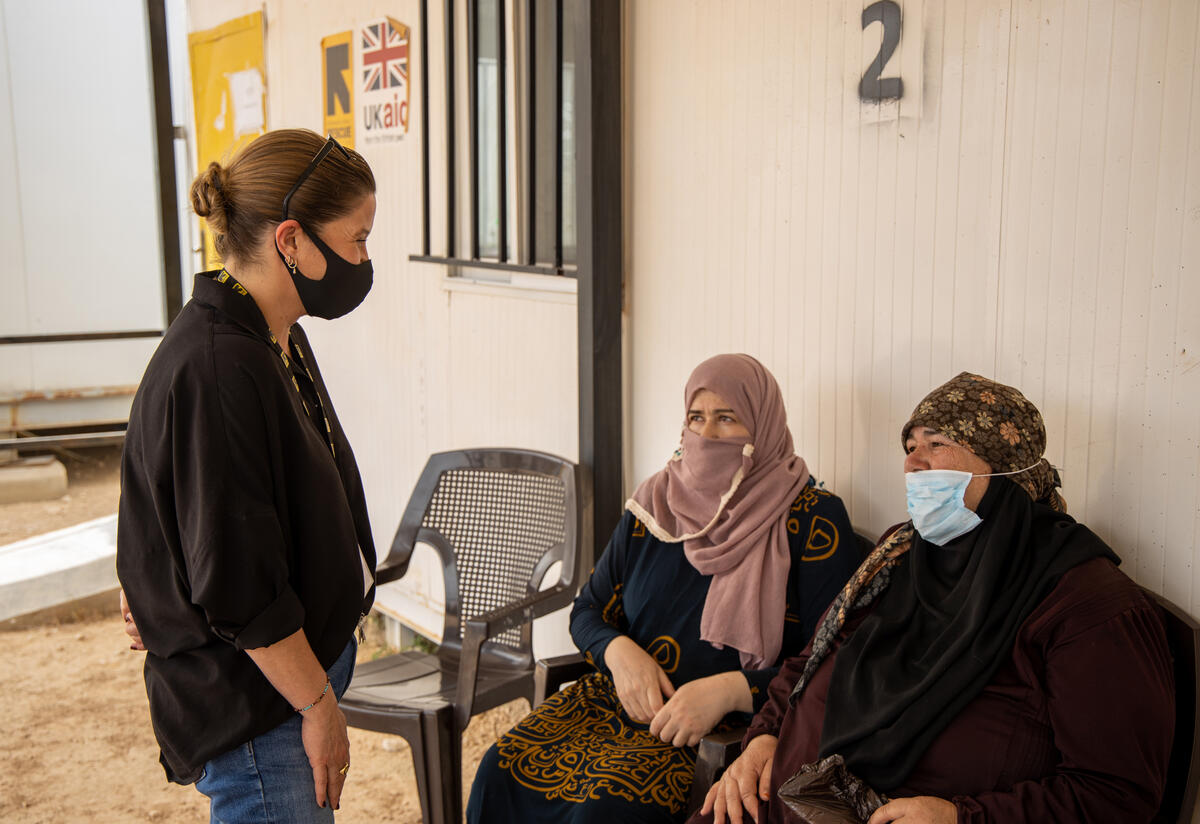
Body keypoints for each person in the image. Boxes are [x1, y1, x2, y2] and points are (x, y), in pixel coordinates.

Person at [699, 372, 1175, 824]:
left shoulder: (1084, 603)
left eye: (936, 443)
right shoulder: (900, 555)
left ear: (1002, 462)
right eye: (909, 447)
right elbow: (811, 661)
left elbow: (1118, 794)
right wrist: (765, 735)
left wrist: (962, 817)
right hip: (776, 798)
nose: (912, 462)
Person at [467, 353, 861, 823]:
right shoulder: (656, 504)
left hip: (720, 732)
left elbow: (835, 660)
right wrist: (619, 654)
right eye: (697, 417)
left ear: (763, 425)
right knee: (498, 770)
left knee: (603, 811)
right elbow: (589, 609)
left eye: (727, 418)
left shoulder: (812, 520)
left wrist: (730, 691)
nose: (707, 435)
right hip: (616, 703)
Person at [116, 128, 379, 822]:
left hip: (287, 684)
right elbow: (237, 586)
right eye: (357, 239)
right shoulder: (218, 366)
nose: (363, 259)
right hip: (263, 708)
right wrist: (317, 704)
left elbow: (195, 504)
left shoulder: (271, 333)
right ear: (289, 240)